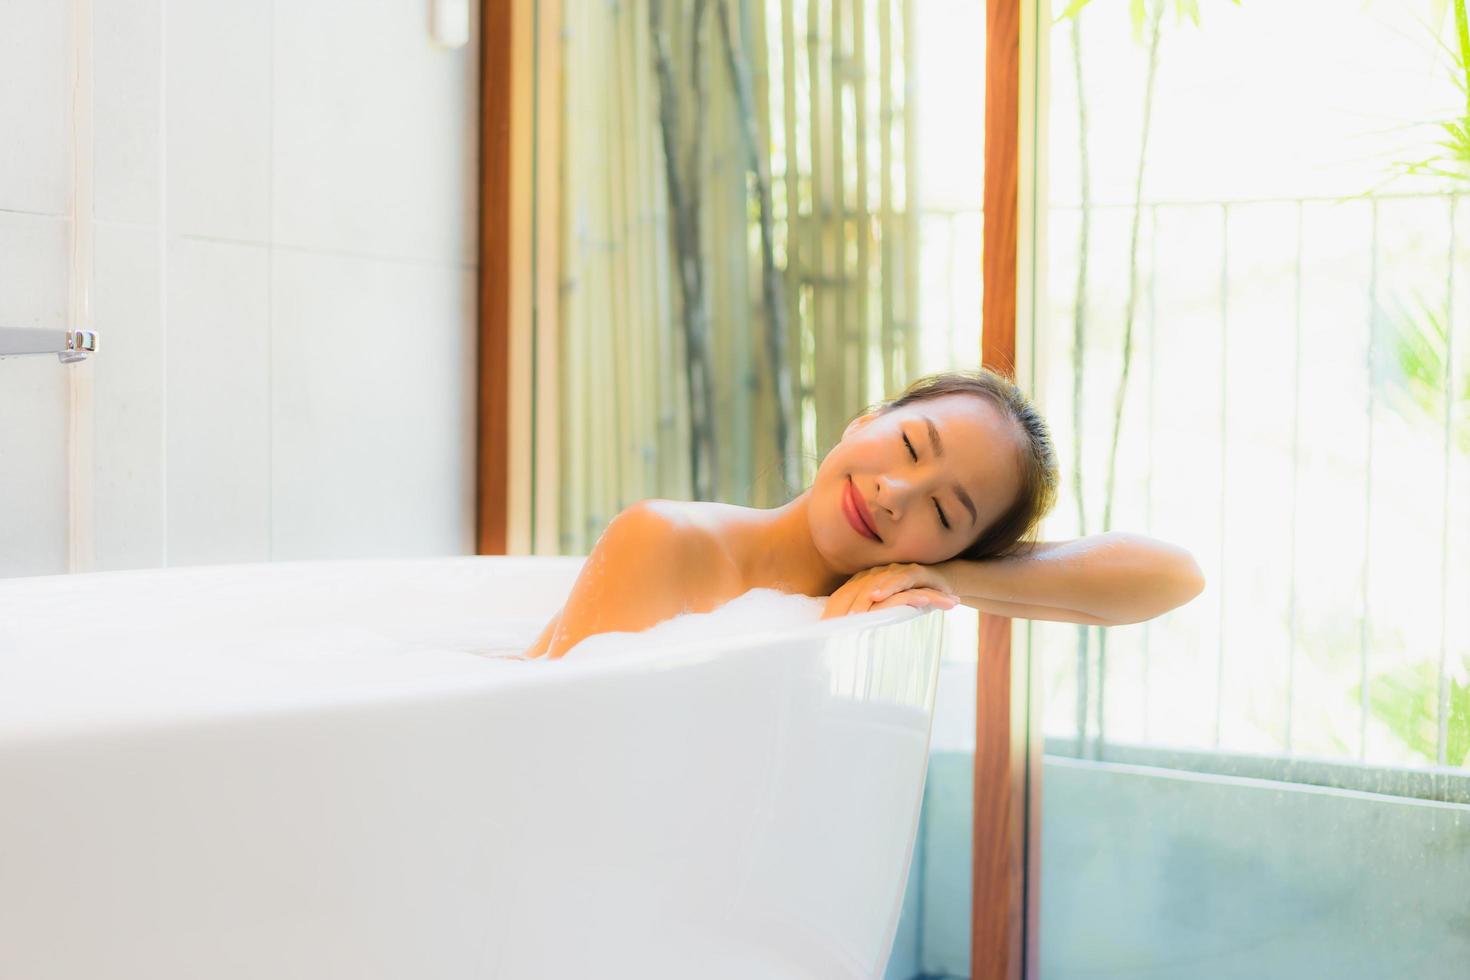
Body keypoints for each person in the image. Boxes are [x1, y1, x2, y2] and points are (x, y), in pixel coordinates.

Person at [523, 368, 1204, 660]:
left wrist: (956, 581)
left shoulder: (887, 598)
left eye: (943, 513)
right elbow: (555, 754)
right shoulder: (667, 541)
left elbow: (1175, 576)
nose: (896, 494)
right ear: (866, 419)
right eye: (909, 446)